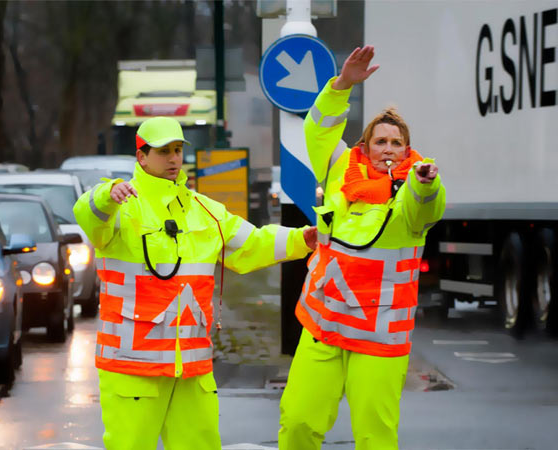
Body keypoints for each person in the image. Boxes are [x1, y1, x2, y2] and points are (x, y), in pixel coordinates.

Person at [73, 116, 318, 450]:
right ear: (141, 157)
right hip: (132, 368)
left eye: (177, 149)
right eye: (163, 151)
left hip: (191, 369)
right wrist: (107, 195)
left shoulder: (206, 210)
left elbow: (253, 244)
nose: (174, 158)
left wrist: (304, 238)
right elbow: (88, 215)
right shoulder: (121, 207)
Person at [278, 45, 446, 450]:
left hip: (379, 337)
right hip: (324, 327)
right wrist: (343, 84)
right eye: (380, 141)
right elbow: (318, 129)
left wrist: (425, 182)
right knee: (298, 424)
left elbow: (427, 206)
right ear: (366, 147)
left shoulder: (411, 194)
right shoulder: (340, 173)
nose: (388, 148)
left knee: (374, 437)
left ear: (407, 151)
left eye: (396, 142)